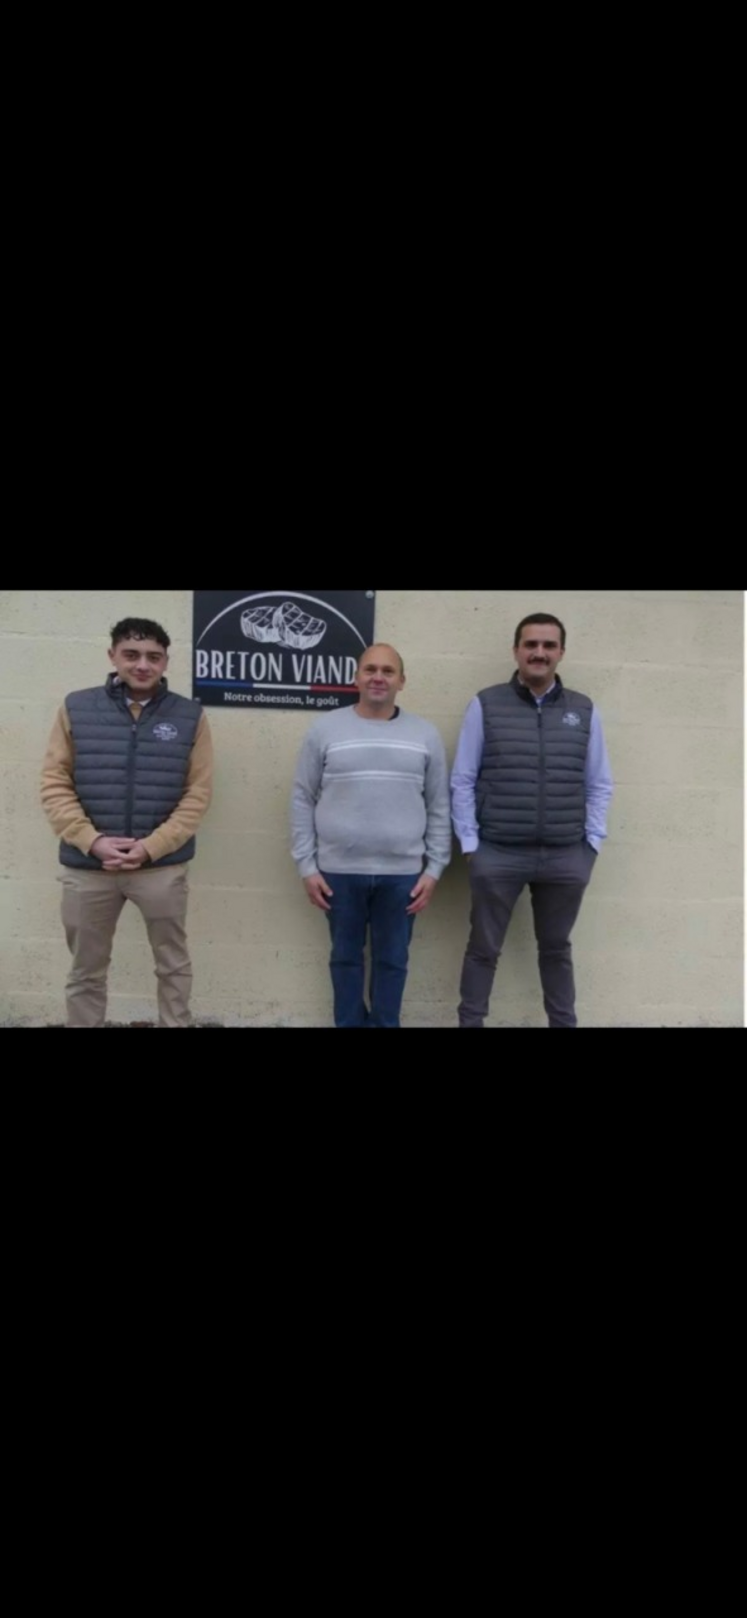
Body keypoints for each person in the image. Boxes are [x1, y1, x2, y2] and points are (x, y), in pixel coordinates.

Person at [41, 617, 213, 1028]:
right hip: (89, 869)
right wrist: (92, 840)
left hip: (161, 868)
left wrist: (151, 846)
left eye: (153, 657)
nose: (142, 665)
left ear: (166, 662)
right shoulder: (76, 707)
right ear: (112, 655)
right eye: (131, 655)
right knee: (86, 971)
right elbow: (54, 783)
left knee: (173, 965)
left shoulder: (190, 716)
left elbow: (198, 793)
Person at [451, 613, 613, 1028]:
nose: (539, 653)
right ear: (516, 650)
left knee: (556, 949)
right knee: (483, 948)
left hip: (564, 856)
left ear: (560, 652)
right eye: (530, 644)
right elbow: (463, 778)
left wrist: (590, 844)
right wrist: (471, 846)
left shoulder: (584, 709)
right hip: (498, 853)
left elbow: (599, 782)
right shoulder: (485, 703)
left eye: (548, 645)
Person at [291, 644, 451, 1027]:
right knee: (344, 958)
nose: (378, 677)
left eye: (388, 671)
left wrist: (434, 870)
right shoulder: (324, 729)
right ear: (356, 677)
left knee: (392, 960)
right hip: (337, 872)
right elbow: (301, 797)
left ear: (402, 680)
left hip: (403, 876)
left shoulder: (425, 735)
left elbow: (439, 805)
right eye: (370, 669)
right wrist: (306, 866)